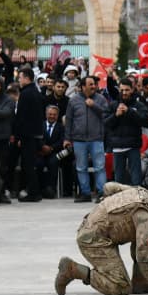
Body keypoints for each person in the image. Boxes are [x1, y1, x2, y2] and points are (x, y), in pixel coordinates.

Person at [54, 186, 148, 295]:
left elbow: (109, 187)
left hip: (94, 229)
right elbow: (144, 258)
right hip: (93, 239)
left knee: (141, 242)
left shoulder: (146, 196)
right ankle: (72, 270)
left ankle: (141, 282)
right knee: (120, 287)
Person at [65, 75, 112, 203]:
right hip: (79, 140)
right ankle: (85, 193)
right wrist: (67, 138)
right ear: (83, 86)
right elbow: (69, 120)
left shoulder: (101, 99)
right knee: (81, 167)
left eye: (94, 84)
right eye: (90, 84)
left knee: (99, 167)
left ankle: (102, 193)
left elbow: (107, 115)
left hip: (96, 139)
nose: (93, 86)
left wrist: (94, 106)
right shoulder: (73, 100)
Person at [12, 65, 47, 201]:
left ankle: (34, 193)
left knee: (28, 165)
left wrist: (18, 135)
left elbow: (21, 117)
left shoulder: (26, 93)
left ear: (27, 78)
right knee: (30, 164)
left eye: (20, 78)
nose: (19, 80)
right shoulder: (35, 92)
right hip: (35, 134)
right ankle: (33, 190)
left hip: (27, 135)